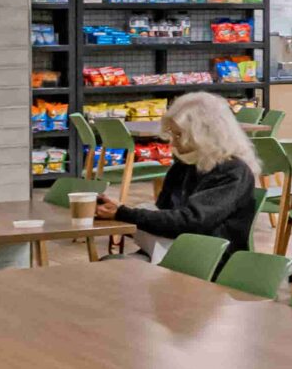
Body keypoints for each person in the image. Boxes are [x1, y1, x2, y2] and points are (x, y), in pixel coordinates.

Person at [96, 92, 260, 257]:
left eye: (179, 135)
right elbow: (164, 214)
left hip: (206, 261)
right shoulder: (184, 166)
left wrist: (125, 213)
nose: (172, 142)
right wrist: (121, 212)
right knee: (110, 265)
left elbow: (191, 221)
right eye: (172, 134)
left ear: (205, 134)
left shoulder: (233, 172)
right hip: (171, 251)